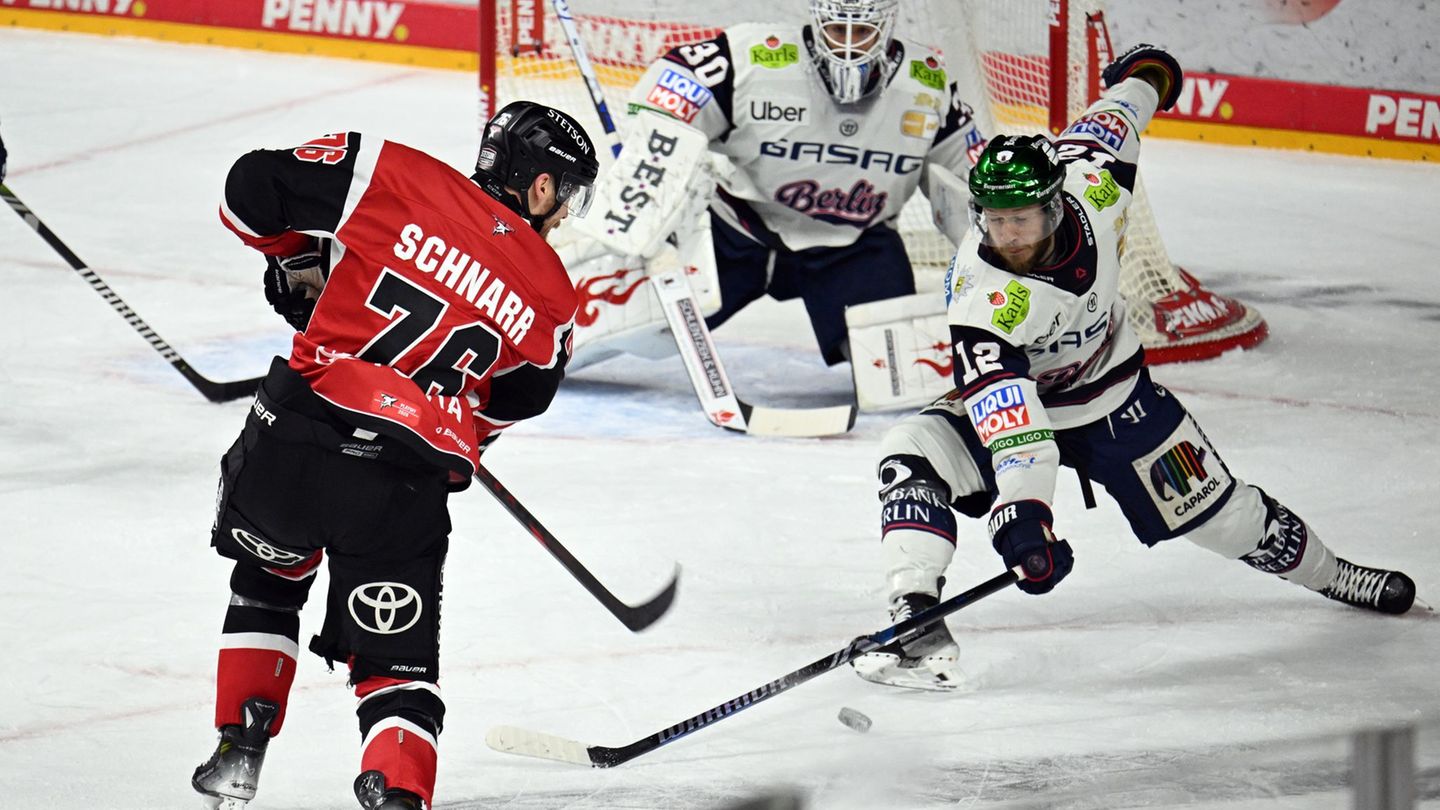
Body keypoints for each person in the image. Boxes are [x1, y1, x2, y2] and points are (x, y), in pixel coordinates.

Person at [851, 45, 1417, 691]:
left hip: (1115, 402)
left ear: (1056, 206)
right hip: (1025, 410)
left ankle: (1334, 574)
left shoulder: (1094, 181)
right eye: (995, 220)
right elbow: (1018, 435)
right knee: (909, 453)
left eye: (1022, 219)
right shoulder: (982, 304)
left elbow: (1119, 112)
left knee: (1228, 520)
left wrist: (1149, 76)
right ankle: (915, 613)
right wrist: (1026, 518)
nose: (1007, 235)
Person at [191, 102, 598, 809]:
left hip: (297, 435)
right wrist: (453, 423)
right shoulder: (555, 298)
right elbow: (516, 402)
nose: (564, 215)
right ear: (540, 186)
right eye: (567, 195)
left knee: (268, 580)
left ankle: (239, 749)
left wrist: (295, 258)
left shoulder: (390, 172)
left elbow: (248, 189)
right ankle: (400, 792)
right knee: (395, 667)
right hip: (402, 481)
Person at [615, 0, 983, 366]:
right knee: (621, 323)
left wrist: (996, 260)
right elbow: (666, 95)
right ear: (818, 21)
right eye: (838, 30)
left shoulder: (926, 86)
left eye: (862, 31)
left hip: (853, 246)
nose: (848, 46)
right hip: (735, 230)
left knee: (896, 369)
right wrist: (657, 180)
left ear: (886, 27)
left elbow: (969, 187)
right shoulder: (753, 58)